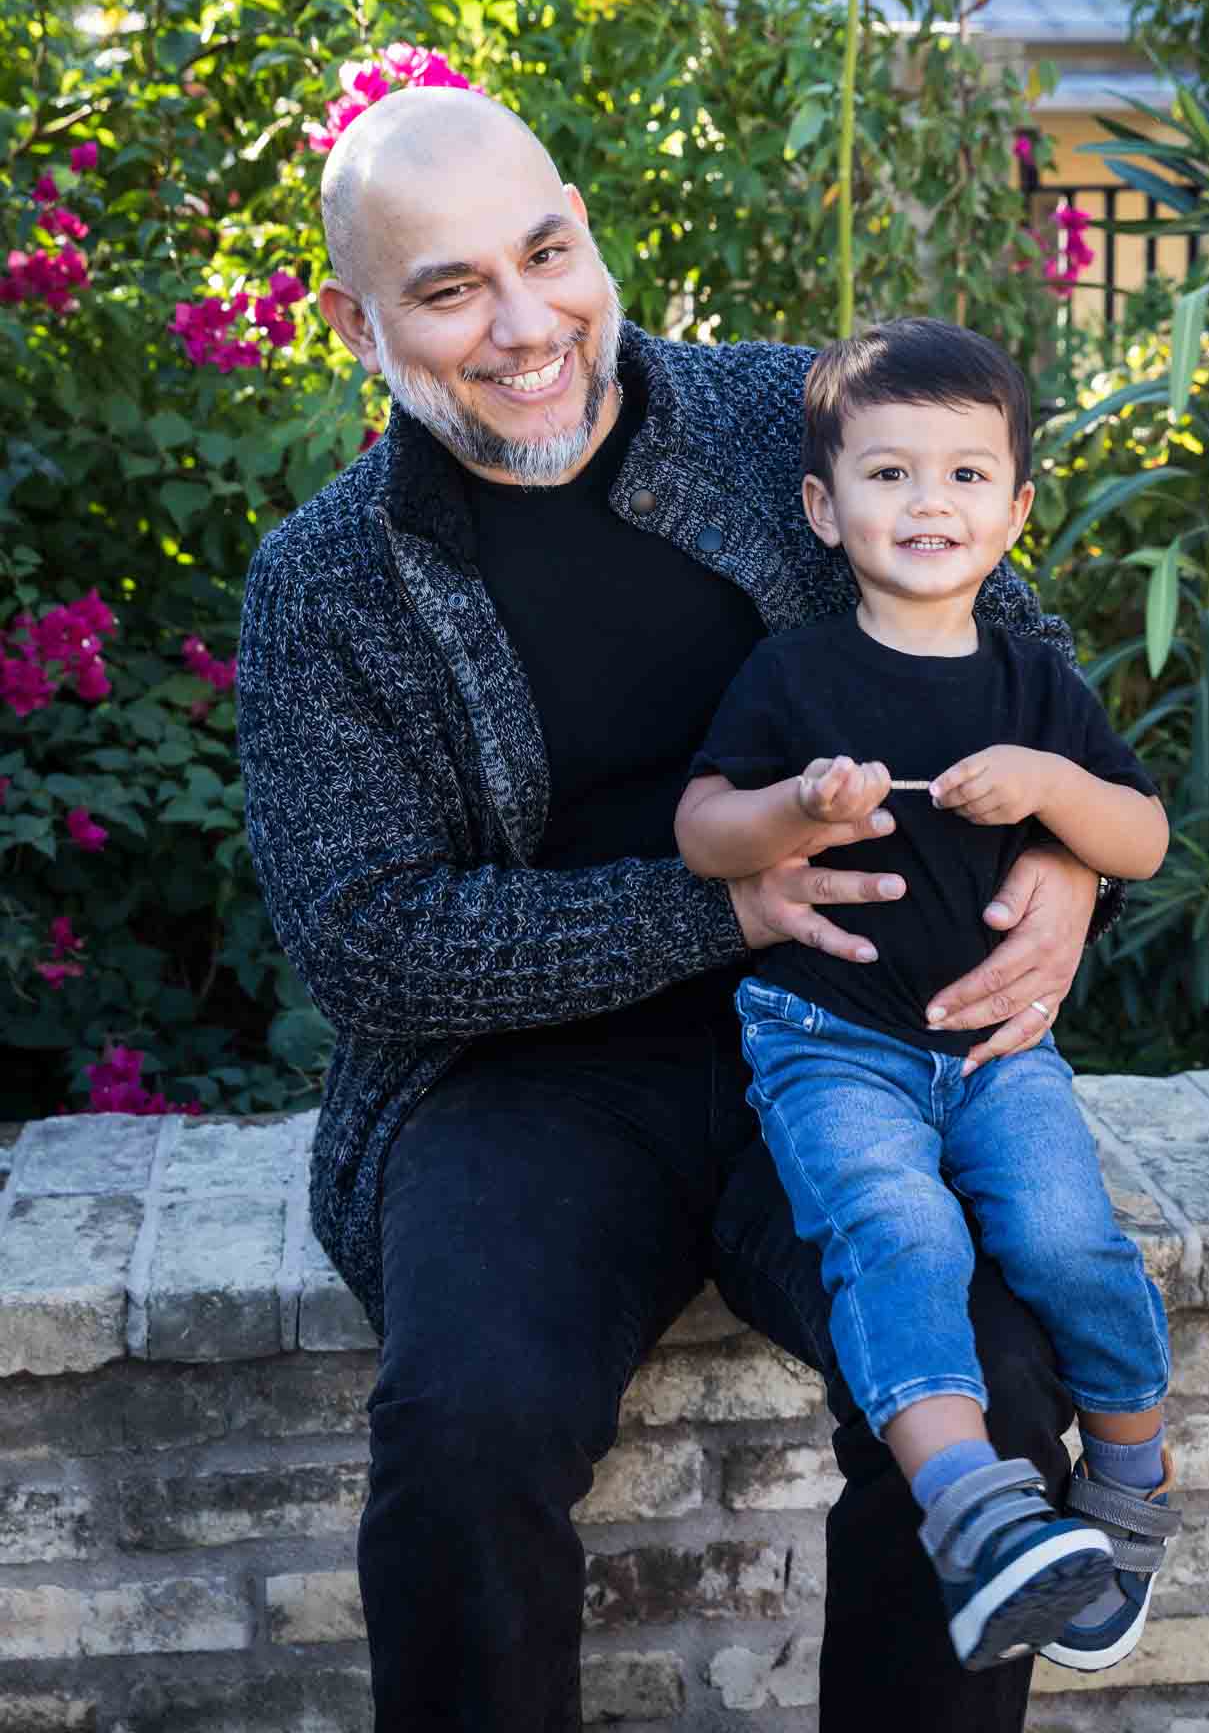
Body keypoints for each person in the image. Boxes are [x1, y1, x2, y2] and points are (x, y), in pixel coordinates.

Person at [235, 84, 1124, 1732]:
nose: (525, 326)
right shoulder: (327, 578)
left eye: (546, 252)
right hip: (524, 1087)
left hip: (859, 1046)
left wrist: (1065, 861)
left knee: (999, 1388)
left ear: (584, 224)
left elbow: (1029, 672)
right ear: (356, 321)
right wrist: (720, 910)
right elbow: (365, 939)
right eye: (448, 290)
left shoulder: (775, 413)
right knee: (466, 1430)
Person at [675, 319, 1179, 1675]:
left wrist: (1054, 795)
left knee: (1068, 1243)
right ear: (820, 507)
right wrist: (794, 806)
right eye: (888, 474)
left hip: (995, 1052)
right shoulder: (794, 674)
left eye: (964, 476)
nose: (927, 503)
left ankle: (1129, 1479)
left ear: (1013, 509)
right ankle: (973, 1511)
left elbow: (1139, 836)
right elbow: (703, 829)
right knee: (900, 1237)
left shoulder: (1030, 683)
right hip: (829, 1045)